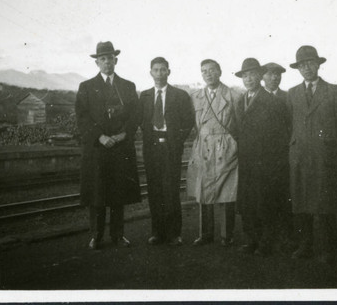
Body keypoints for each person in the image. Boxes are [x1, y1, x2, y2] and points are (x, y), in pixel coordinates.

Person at [287, 45, 337, 264]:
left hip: (324, 158)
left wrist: (327, 146)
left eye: (310, 63)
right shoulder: (292, 94)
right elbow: (288, 127)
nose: (306, 68)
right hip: (300, 159)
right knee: (301, 204)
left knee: (325, 205)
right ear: (298, 69)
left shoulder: (334, 91)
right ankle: (305, 246)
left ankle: (329, 249)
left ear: (318, 65)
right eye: (302, 65)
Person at [75, 41, 141, 250]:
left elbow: (135, 115)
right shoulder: (86, 87)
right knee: (97, 193)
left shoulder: (128, 86)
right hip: (97, 148)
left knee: (118, 193)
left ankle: (118, 235)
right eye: (102, 59)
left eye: (110, 58)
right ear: (97, 63)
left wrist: (124, 134)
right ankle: (96, 236)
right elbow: (82, 117)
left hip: (121, 148)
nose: (107, 63)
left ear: (116, 60)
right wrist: (100, 137)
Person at [235, 58, 290, 256]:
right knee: (248, 203)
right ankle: (251, 240)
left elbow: (282, 136)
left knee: (265, 203)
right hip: (246, 162)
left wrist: (273, 164)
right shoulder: (240, 100)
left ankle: (266, 242)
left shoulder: (272, 102)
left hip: (266, 163)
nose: (248, 79)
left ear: (260, 76)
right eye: (245, 75)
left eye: (252, 74)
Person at [138, 57, 194, 246]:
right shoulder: (144, 96)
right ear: (151, 73)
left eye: (163, 70)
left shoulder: (180, 95)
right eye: (156, 70)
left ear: (168, 72)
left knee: (171, 190)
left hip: (171, 147)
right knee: (154, 191)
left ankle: (174, 233)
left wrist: (176, 141)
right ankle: (157, 232)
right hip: (151, 147)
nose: (160, 74)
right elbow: (141, 120)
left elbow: (188, 122)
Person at [187, 59, 241, 247]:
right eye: (204, 71)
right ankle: (206, 234)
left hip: (225, 146)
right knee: (203, 189)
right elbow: (194, 124)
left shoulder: (233, 95)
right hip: (203, 147)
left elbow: (239, 124)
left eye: (212, 70)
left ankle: (227, 235)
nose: (208, 74)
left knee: (227, 190)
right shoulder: (195, 97)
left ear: (220, 72)